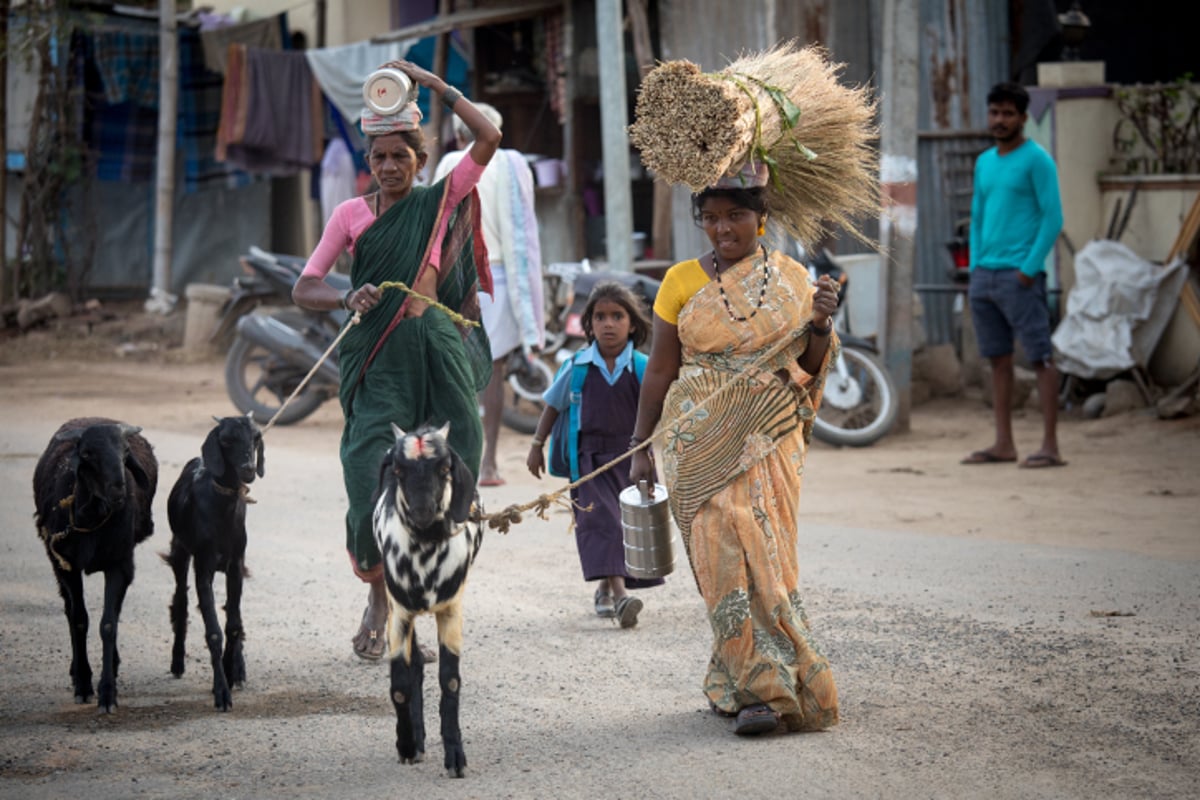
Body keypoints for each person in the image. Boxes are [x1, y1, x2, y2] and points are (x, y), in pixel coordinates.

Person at [292, 60, 501, 661]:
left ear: (418, 158)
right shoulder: (349, 217)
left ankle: (421, 601)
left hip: (435, 350)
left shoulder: (442, 199)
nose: (388, 167)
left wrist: (440, 88)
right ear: (369, 161)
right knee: (366, 477)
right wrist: (343, 295)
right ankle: (379, 597)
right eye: (379, 157)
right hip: (377, 358)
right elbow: (304, 288)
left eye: (400, 156)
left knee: (453, 462)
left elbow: (488, 138)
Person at [627, 162, 842, 736]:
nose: (724, 228)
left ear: (762, 219)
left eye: (737, 216)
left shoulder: (794, 281)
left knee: (768, 560)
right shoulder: (678, 283)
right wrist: (639, 445)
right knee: (721, 563)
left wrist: (819, 324)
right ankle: (752, 691)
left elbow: (811, 370)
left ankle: (767, 685)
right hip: (697, 443)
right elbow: (662, 372)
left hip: (769, 440)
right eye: (712, 218)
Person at [526, 281, 662, 628]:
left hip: (631, 459)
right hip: (587, 461)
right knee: (601, 522)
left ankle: (605, 588)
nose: (608, 324)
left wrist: (643, 453)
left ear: (632, 323)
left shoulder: (643, 367)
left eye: (617, 316)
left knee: (627, 529)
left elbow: (659, 412)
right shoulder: (578, 366)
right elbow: (552, 407)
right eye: (600, 317)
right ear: (589, 325)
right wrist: (536, 445)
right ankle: (621, 598)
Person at [434, 103, 544, 487]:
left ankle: (453, 459)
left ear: (460, 134)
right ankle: (489, 465)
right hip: (497, 276)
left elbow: (437, 221)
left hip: (457, 274)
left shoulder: (450, 161)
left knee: (455, 368)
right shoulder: (512, 166)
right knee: (492, 369)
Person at [961, 81, 1065, 469]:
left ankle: (1050, 446)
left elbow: (1053, 218)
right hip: (984, 276)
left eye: (1008, 114)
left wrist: (1028, 270)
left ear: (1023, 118)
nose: (1000, 120)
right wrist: (974, 268)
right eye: (995, 112)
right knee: (997, 361)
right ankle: (1004, 444)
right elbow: (976, 218)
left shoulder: (1038, 160)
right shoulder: (985, 161)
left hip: (1019, 277)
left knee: (1040, 358)